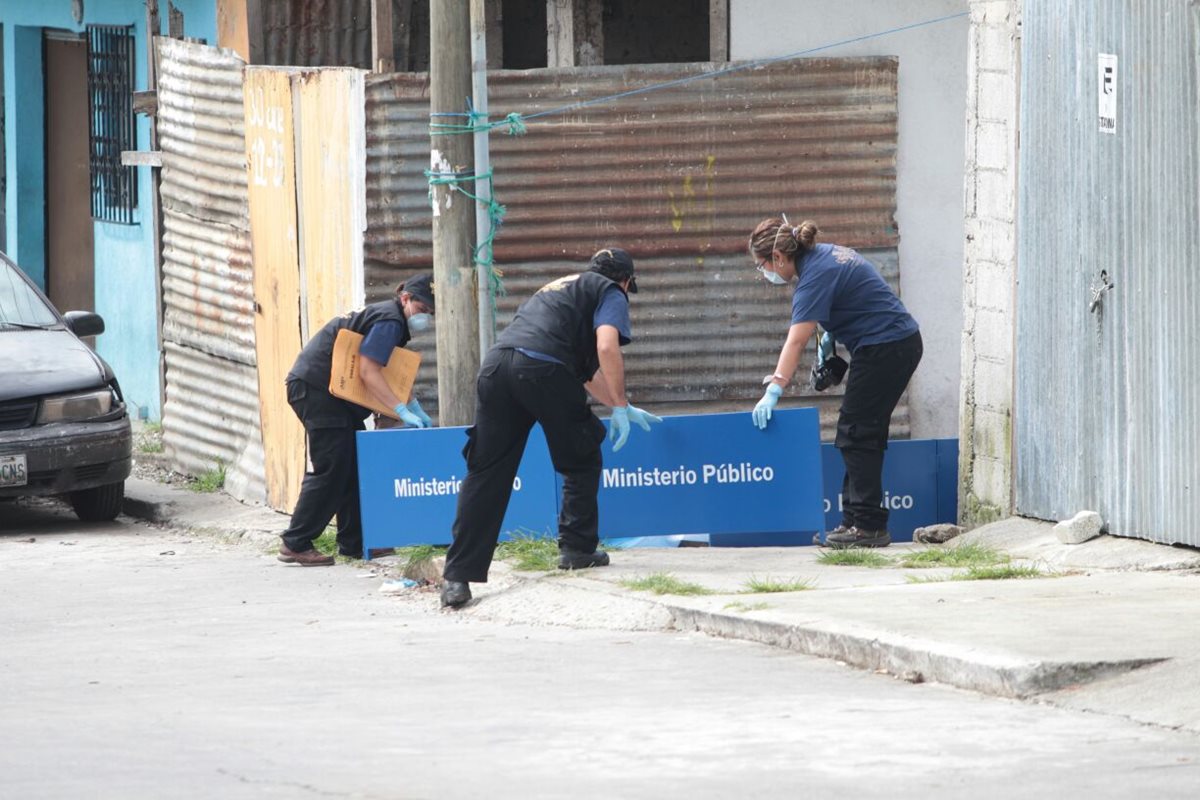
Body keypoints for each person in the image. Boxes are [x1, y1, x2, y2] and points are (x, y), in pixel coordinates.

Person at [441, 247, 661, 607]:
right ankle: (576, 549)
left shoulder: (557, 288)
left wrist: (622, 405)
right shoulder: (609, 291)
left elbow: (586, 372)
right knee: (582, 455)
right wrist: (620, 404)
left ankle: (457, 578)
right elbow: (606, 345)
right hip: (542, 370)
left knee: (486, 473)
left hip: (497, 368)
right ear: (625, 281)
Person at [747, 217, 922, 549]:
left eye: (763, 265)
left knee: (856, 433)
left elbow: (795, 341)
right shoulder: (823, 256)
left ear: (780, 258)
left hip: (887, 347)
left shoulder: (815, 275)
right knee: (859, 433)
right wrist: (829, 337)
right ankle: (855, 521)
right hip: (891, 345)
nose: (764, 273)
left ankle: (868, 526)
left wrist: (775, 388)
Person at [278, 274, 436, 565]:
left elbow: (392, 372)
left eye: (429, 313)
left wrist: (413, 405)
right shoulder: (390, 321)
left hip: (326, 395)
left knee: (351, 466)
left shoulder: (392, 321)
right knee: (332, 467)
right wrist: (400, 411)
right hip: (317, 391)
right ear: (405, 299)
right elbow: (368, 371)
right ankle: (295, 542)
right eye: (422, 309)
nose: (424, 317)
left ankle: (355, 542)